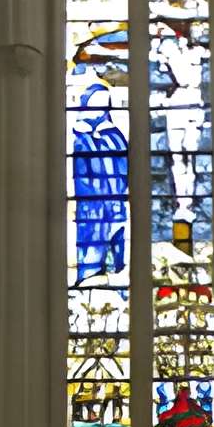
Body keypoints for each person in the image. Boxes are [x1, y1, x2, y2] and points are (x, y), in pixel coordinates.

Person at [71, 81, 128, 280]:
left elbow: (127, 169)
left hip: (116, 207)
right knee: (92, 256)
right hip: (91, 211)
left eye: (105, 105)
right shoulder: (78, 138)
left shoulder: (115, 136)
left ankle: (119, 294)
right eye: (96, 104)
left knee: (118, 259)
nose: (100, 110)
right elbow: (78, 173)